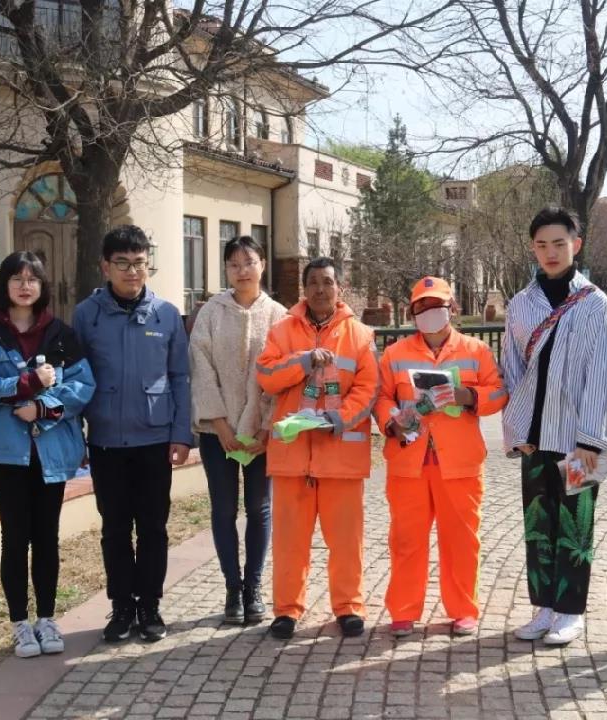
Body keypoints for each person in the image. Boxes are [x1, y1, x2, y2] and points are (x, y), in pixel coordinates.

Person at [0, 251, 95, 658]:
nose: (24, 286)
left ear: (42, 286)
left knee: (47, 536)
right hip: (6, 453)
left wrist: (42, 407)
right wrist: (26, 383)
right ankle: (20, 623)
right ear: (4, 285)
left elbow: (82, 386)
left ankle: (47, 619)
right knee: (15, 536)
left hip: (51, 450)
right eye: (16, 278)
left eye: (32, 278)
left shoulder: (60, 333)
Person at [500, 206, 607, 645]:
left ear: (576, 245)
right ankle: (544, 607)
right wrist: (517, 432)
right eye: (541, 245)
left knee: (574, 525)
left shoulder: (595, 304)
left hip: (577, 441)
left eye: (559, 243)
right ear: (533, 248)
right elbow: (512, 370)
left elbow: (603, 376)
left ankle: (570, 610)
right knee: (538, 524)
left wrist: (592, 440)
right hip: (535, 439)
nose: (550, 252)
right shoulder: (521, 303)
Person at [72, 225, 193, 643]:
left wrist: (181, 434)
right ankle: (122, 606)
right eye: (122, 263)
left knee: (154, 528)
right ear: (105, 266)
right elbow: (74, 378)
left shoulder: (167, 315)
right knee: (115, 529)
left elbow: (180, 377)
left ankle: (150, 606)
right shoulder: (86, 315)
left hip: (154, 441)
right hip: (106, 441)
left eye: (139, 263)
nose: (132, 271)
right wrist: (77, 435)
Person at [375, 277, 507, 637]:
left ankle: (463, 609)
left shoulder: (476, 350)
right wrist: (391, 422)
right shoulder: (395, 354)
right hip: (409, 462)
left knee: (461, 540)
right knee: (406, 540)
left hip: (460, 462)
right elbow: (382, 397)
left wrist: (469, 397)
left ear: (453, 309)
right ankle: (403, 610)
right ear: (411, 312)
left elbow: (498, 393)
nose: (429, 312)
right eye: (421, 306)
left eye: (437, 305)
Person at [255, 257, 378, 640]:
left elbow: (369, 389)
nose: (320, 289)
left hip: (341, 457)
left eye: (327, 282)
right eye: (313, 283)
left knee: (346, 542)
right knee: (289, 543)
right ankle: (286, 610)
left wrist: (336, 418)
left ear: (340, 288)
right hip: (292, 457)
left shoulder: (361, 336)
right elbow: (266, 376)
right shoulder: (281, 331)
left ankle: (349, 607)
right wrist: (303, 362)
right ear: (304, 289)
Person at [189, 236, 286, 624]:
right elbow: (201, 368)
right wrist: (219, 423)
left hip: (262, 434)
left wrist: (266, 428)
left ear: (262, 264)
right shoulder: (211, 313)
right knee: (224, 509)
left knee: (259, 508)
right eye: (233, 264)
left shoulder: (279, 316)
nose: (242, 270)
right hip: (218, 433)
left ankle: (254, 587)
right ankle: (232, 587)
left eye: (249, 262)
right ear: (226, 269)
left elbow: (284, 375)